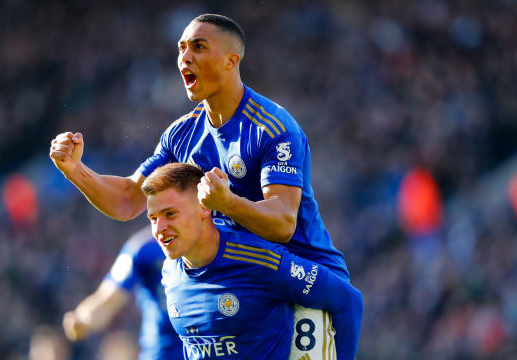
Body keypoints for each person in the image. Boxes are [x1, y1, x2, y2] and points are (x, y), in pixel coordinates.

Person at [50, 13, 361, 359]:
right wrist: (76, 171)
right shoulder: (181, 134)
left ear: (232, 60)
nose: (185, 57)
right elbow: (127, 199)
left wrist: (228, 204)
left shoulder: (272, 128)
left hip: (301, 284)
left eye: (199, 47)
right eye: (182, 48)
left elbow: (284, 222)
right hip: (237, 280)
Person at [141, 162, 362, 360]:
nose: (159, 229)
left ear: (204, 208)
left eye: (170, 214)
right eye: (153, 218)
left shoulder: (258, 259)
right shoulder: (170, 271)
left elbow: (347, 300)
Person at [62, 226, 183, 360]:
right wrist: (83, 319)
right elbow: (106, 299)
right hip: (164, 352)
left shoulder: (208, 243)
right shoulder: (141, 248)